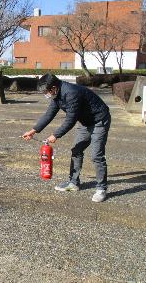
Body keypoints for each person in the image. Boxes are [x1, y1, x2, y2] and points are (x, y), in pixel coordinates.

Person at [22, 74, 111, 202]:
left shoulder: (71, 93)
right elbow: (49, 114)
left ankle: (101, 188)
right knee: (76, 150)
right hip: (86, 122)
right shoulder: (56, 95)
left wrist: (56, 135)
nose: (46, 94)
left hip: (99, 121)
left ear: (53, 87)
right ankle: (73, 183)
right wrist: (33, 131)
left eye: (46, 91)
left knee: (96, 155)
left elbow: (70, 119)